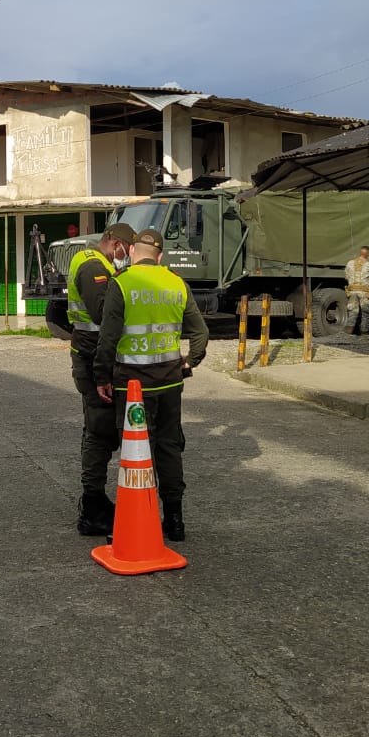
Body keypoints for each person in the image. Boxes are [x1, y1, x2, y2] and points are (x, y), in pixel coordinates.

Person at [94, 228, 209, 542]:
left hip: (132, 388)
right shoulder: (177, 283)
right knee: (169, 448)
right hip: (170, 383)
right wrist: (191, 361)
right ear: (160, 257)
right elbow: (200, 333)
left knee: (135, 452)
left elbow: (108, 338)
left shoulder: (122, 283)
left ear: (132, 253)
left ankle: (137, 520)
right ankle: (174, 521)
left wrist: (101, 377)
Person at [68, 222, 137, 536]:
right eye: (125, 247)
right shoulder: (95, 267)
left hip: (91, 354)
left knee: (98, 429)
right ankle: (92, 505)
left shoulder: (92, 263)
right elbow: (102, 312)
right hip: (92, 357)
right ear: (113, 241)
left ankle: (95, 499)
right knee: (98, 431)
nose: (126, 254)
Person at [343, 245, 369, 334]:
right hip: (364, 292)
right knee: (365, 312)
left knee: (352, 311)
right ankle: (364, 333)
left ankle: (349, 332)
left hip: (352, 291)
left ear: (360, 253)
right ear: (368, 254)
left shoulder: (350, 263)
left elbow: (346, 277)